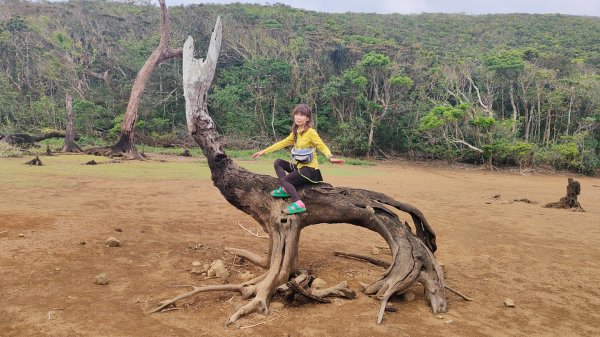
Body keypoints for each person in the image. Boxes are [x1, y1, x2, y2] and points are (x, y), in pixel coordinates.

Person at [252, 104, 344, 214]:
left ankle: (298, 203)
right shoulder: (295, 133)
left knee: (285, 180)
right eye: (296, 114)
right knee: (278, 163)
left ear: (307, 118)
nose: (298, 117)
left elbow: (322, 145)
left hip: (309, 170)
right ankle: (285, 189)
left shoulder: (311, 132)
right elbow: (281, 143)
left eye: (302, 115)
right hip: (299, 167)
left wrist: (330, 157)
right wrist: (263, 151)